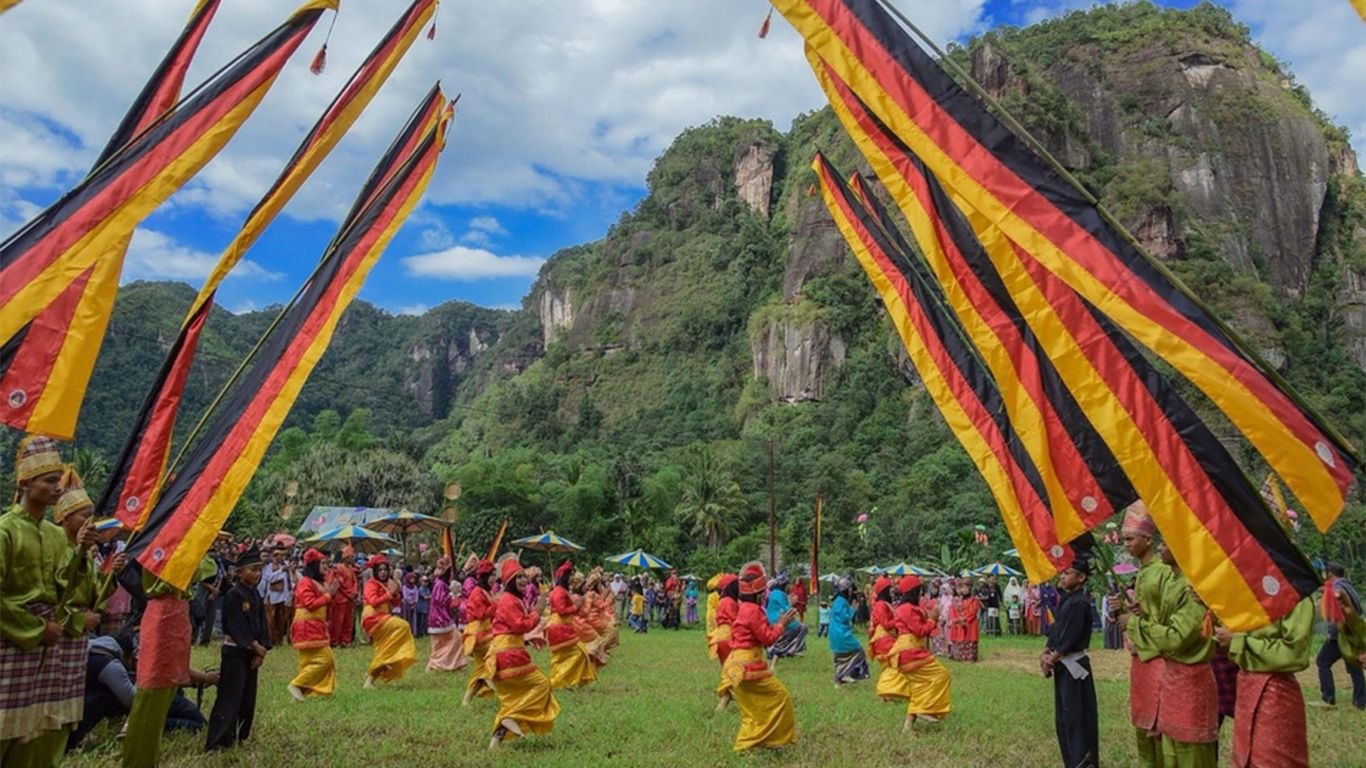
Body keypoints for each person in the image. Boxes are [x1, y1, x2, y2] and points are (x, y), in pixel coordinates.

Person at [0, 436, 90, 768]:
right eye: (49, 481)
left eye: (58, 481)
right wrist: (37, 628)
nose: (57, 488)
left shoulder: (53, 534)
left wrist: (82, 554)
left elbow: (67, 586)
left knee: (37, 730)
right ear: (25, 483)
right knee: (5, 727)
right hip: (13, 640)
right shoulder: (5, 531)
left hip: (48, 641)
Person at [122, 557, 221, 768]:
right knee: (152, 696)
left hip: (176, 615)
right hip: (163, 619)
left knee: (165, 690)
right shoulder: (165, 544)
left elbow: (205, 568)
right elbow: (200, 568)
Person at [1215, 596, 1313, 768]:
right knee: (1247, 759)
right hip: (1246, 685)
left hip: (1275, 690)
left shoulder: (1295, 594)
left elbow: (1295, 654)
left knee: (1272, 759)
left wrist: (1238, 642)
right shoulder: (1250, 589)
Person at [1115, 501, 1170, 768]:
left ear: (1148, 539)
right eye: (1124, 539)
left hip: (1158, 658)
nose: (1125, 544)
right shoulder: (1144, 573)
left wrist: (1133, 621)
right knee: (1142, 726)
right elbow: (1146, 615)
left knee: (1158, 730)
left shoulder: (1162, 573)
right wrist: (1123, 611)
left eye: (1130, 538)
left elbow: (1163, 622)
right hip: (1141, 658)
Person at [487, 556, 559, 749]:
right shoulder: (509, 601)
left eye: (524, 577)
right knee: (542, 684)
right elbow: (520, 625)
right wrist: (537, 612)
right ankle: (509, 718)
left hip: (507, 650)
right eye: (518, 577)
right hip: (508, 655)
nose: (523, 581)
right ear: (509, 580)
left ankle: (495, 742)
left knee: (514, 696)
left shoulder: (512, 600)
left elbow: (515, 627)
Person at [725, 562, 797, 752]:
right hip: (748, 666)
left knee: (753, 709)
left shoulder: (743, 608)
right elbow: (768, 638)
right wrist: (782, 624)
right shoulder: (753, 611)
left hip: (735, 665)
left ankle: (750, 744)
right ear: (759, 593)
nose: (766, 594)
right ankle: (770, 741)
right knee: (781, 697)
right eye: (764, 591)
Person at [205, 545, 270, 750]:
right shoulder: (234, 594)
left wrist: (262, 649)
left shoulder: (256, 595)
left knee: (247, 698)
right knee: (229, 697)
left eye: (259, 570)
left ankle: (239, 736)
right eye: (253, 570)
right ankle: (218, 740)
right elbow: (233, 625)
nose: (257, 574)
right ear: (240, 572)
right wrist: (253, 645)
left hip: (253, 653)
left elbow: (262, 624)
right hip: (235, 652)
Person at [1040, 554, 1099, 768]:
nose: (1062, 577)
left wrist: (1052, 658)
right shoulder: (1065, 600)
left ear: (1081, 577)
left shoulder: (1080, 603)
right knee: (1064, 719)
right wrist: (1045, 652)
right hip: (1062, 666)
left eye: (1067, 573)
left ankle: (1083, 762)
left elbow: (1071, 637)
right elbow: (1056, 630)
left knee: (1078, 720)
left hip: (1073, 666)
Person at [893, 575, 951, 731]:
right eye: (919, 591)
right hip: (911, 653)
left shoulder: (907, 608)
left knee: (918, 687)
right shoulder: (906, 609)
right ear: (914, 592)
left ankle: (908, 727)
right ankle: (924, 708)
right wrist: (932, 619)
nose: (922, 595)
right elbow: (920, 630)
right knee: (941, 675)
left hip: (909, 652)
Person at [1314, 563, 1365, 710]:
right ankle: (1361, 701)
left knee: (1322, 662)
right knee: (1355, 668)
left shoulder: (1338, 588)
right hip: (1352, 633)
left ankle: (1328, 699)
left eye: (1324, 572)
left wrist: (1332, 632)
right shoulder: (1349, 586)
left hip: (1340, 634)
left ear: (1330, 574)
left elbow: (1336, 612)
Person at [361, 554, 416, 689]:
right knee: (403, 626)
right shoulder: (371, 584)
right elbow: (373, 601)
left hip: (383, 617)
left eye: (385, 570)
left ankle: (369, 682)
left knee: (384, 649)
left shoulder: (387, 584)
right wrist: (389, 594)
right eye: (380, 570)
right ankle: (392, 656)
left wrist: (396, 593)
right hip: (373, 617)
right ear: (375, 572)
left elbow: (395, 603)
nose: (383, 572)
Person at [287, 548, 336, 700]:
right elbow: (310, 603)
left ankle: (299, 693)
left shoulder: (317, 582)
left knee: (311, 661)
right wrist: (329, 595)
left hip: (316, 625)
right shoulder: (305, 582)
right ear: (314, 565)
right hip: (307, 625)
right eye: (323, 564)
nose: (325, 567)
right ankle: (296, 684)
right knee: (325, 660)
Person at [547, 560, 597, 689]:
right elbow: (561, 611)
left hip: (564, 626)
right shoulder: (559, 592)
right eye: (570, 576)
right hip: (559, 626)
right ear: (564, 577)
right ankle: (559, 681)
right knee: (576, 654)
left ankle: (567, 680)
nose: (571, 579)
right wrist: (576, 606)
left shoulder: (562, 591)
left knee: (570, 655)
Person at [461, 557, 497, 705]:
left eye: (495, 575)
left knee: (479, 668)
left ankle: (466, 701)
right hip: (479, 634)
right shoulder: (477, 592)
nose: (494, 579)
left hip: (486, 631)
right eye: (491, 575)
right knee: (498, 653)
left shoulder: (486, 591)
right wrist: (497, 604)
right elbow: (481, 614)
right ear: (483, 576)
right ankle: (491, 683)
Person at [870, 575, 911, 702]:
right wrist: (899, 618)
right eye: (890, 588)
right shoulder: (880, 605)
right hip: (883, 639)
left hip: (887, 638)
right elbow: (886, 624)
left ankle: (889, 694)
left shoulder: (885, 604)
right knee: (894, 663)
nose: (893, 591)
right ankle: (887, 691)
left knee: (891, 665)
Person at [427, 557, 469, 672]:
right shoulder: (441, 584)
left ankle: (444, 663)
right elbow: (439, 600)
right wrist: (452, 596)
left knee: (440, 643)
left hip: (437, 617)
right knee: (456, 638)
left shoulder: (440, 583)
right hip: (440, 618)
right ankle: (441, 663)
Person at [829, 576, 869, 685]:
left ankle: (839, 680)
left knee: (839, 658)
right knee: (858, 651)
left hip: (834, 633)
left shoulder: (838, 600)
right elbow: (844, 618)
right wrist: (852, 610)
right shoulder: (841, 601)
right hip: (841, 633)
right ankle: (847, 674)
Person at [711, 574, 740, 712]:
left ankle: (723, 704)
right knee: (736, 671)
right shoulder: (729, 602)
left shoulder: (723, 601)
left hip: (721, 637)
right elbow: (735, 621)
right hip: (728, 638)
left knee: (730, 670)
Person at [765, 573, 808, 660]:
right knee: (803, 627)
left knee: (797, 626)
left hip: (771, 619)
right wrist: (792, 603)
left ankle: (784, 649)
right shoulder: (780, 594)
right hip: (779, 620)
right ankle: (790, 650)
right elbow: (787, 609)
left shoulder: (773, 593)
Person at [259, 547, 293, 646]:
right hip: (272, 596)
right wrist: (280, 571)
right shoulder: (269, 566)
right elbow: (268, 578)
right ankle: (269, 640)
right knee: (270, 620)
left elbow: (289, 581)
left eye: (283, 555)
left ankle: (279, 641)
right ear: (275, 556)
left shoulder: (285, 565)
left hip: (283, 596)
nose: (282, 557)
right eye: (280, 555)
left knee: (281, 619)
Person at [326, 546, 358, 647]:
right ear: (346, 557)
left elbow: (355, 582)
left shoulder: (351, 569)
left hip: (349, 599)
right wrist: (351, 593)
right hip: (341, 599)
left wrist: (354, 592)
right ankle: (335, 640)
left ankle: (345, 640)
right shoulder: (339, 568)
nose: (353, 558)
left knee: (348, 620)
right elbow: (340, 583)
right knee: (337, 621)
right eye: (351, 556)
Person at [949, 580, 981, 662]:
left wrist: (965, 618)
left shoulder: (974, 600)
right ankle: (959, 656)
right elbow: (953, 610)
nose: (963, 590)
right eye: (962, 588)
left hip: (970, 623)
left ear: (969, 588)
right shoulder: (957, 600)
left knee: (969, 638)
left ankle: (970, 657)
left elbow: (974, 611)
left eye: (965, 587)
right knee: (960, 638)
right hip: (959, 623)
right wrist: (956, 619)